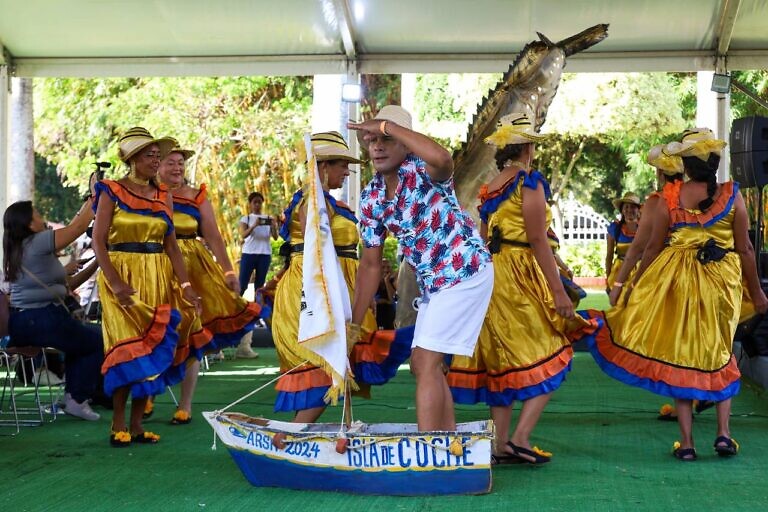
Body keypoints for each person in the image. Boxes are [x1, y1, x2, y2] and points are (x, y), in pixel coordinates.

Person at [584, 128, 768, 461]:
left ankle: (687, 444)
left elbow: (651, 248)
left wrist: (636, 288)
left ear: (684, 163)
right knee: (720, 352)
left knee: (683, 356)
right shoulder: (733, 195)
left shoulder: (671, 198)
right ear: (715, 161)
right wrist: (757, 294)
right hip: (721, 286)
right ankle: (723, 434)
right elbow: (747, 250)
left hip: (680, 285)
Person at [445, 113, 597, 464]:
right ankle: (520, 437)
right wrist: (558, 290)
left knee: (503, 359)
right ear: (527, 147)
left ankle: (501, 444)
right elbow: (537, 240)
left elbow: (485, 241)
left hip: (491, 275)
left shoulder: (491, 187)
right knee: (556, 347)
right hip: (519, 274)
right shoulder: (529, 182)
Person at [348, 105, 493, 431]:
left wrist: (387, 125)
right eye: (371, 140)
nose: (377, 146)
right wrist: (353, 326)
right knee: (423, 365)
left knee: (426, 361)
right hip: (436, 285)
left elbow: (444, 158)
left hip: (466, 273)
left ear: (405, 142)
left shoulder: (424, 171)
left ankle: (431, 451)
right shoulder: (371, 197)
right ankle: (447, 439)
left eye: (385, 138)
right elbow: (370, 266)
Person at [272, 131, 411, 424]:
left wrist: (363, 294)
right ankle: (292, 434)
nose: (347, 171)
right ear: (323, 167)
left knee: (342, 355)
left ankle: (334, 429)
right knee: (327, 358)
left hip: (337, 286)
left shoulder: (325, 201)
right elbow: (316, 254)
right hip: (314, 288)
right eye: (342, 165)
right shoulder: (311, 202)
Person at [92, 127, 201, 446]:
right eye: (149, 155)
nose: (156, 160)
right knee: (127, 346)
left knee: (151, 346)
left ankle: (137, 425)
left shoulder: (162, 195)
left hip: (155, 272)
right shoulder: (110, 189)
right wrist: (114, 281)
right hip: (120, 272)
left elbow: (171, 244)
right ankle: (117, 423)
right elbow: (98, 241)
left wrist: (185, 285)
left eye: (158, 155)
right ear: (132, 159)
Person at [157, 139, 261, 424]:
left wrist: (228, 271)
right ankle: (148, 395)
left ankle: (186, 404)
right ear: (157, 165)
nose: (177, 167)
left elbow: (214, 235)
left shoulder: (196, 195)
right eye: (171, 162)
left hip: (193, 268)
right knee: (156, 328)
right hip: (156, 265)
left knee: (191, 330)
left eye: (181, 162)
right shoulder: (146, 194)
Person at [3, 194, 104, 421]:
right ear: (29, 224)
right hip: (43, 317)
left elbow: (65, 285)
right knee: (96, 341)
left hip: (23, 321)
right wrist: (97, 198)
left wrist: (94, 263)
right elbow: (76, 228)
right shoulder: (37, 242)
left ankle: (73, 397)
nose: (43, 218)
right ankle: (77, 399)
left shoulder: (18, 247)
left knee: (79, 342)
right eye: (37, 214)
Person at [238, 192, 278, 296]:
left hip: (264, 255)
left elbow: (275, 237)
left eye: (259, 202)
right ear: (250, 204)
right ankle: (236, 307)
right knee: (242, 284)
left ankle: (259, 308)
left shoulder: (269, 218)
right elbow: (243, 235)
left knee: (260, 286)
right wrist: (254, 225)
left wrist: (274, 226)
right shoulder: (245, 218)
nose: (257, 205)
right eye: (254, 202)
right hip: (248, 254)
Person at [604, 192, 641, 292]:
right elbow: (609, 255)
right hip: (619, 272)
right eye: (626, 207)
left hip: (640, 272)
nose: (629, 210)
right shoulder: (615, 228)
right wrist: (608, 279)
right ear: (622, 210)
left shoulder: (644, 228)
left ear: (638, 209)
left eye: (633, 207)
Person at [375, 258, 397, 329]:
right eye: (383, 267)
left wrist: (387, 281)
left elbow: (393, 301)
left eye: (388, 267)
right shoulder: (373, 282)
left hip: (390, 318)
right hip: (376, 316)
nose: (386, 270)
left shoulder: (393, 282)